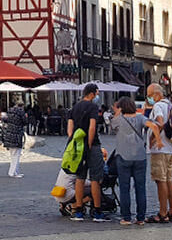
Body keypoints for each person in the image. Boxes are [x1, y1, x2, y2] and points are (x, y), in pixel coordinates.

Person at [109, 96, 158, 226]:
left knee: (124, 189)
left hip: (123, 156)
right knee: (140, 188)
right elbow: (153, 125)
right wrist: (157, 140)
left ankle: (126, 217)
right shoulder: (140, 118)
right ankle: (141, 218)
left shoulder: (118, 119)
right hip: (140, 157)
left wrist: (117, 112)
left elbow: (112, 125)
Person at [67, 83, 109, 222]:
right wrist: (89, 144)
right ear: (91, 94)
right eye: (96, 94)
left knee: (80, 177)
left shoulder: (75, 107)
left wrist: (75, 143)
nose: (97, 96)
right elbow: (92, 127)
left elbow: (69, 130)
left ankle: (78, 210)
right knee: (95, 179)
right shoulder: (92, 107)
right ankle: (97, 211)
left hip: (77, 147)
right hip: (92, 145)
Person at [145, 83, 172, 224]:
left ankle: (163, 213)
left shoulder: (158, 106)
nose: (148, 98)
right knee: (169, 179)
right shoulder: (170, 105)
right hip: (170, 148)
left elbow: (159, 122)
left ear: (157, 94)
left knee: (161, 181)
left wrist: (154, 138)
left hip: (160, 150)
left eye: (149, 95)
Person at [3, 101, 27, 178]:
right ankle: (13, 172)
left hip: (9, 134)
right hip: (17, 134)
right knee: (16, 155)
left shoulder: (10, 111)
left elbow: (5, 120)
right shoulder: (21, 112)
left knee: (13, 155)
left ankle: (14, 171)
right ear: (22, 106)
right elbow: (25, 122)